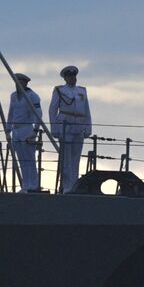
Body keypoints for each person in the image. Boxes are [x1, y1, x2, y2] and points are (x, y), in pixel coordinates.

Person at [48, 65, 91, 193]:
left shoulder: (82, 91)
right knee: (66, 159)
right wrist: (54, 128)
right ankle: (67, 186)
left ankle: (74, 186)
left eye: (74, 76)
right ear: (65, 78)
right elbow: (52, 110)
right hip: (65, 126)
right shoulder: (59, 90)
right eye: (70, 76)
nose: (73, 78)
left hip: (79, 126)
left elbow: (86, 110)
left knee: (76, 159)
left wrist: (88, 127)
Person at [8, 73, 43, 192]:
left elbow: (39, 114)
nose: (17, 85)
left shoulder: (32, 96)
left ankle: (33, 184)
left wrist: (35, 131)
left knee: (29, 158)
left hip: (27, 128)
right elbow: (11, 113)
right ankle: (25, 185)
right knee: (21, 159)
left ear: (25, 83)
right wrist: (8, 129)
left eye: (20, 82)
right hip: (16, 130)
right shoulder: (13, 96)